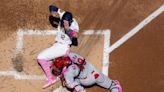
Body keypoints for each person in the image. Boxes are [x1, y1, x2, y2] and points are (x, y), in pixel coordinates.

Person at [37, 5, 79, 89]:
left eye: (65, 23)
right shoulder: (64, 15)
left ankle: (51, 78)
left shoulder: (74, 26)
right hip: (58, 45)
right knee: (51, 60)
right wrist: (53, 12)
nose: (63, 24)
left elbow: (75, 35)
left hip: (63, 47)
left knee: (40, 58)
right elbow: (52, 7)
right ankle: (60, 65)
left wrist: (67, 29)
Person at [51, 52, 122, 92]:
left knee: (70, 84)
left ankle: (81, 90)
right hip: (95, 73)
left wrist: (68, 83)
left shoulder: (68, 72)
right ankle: (115, 89)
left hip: (86, 81)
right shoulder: (71, 55)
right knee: (112, 84)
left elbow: (71, 85)